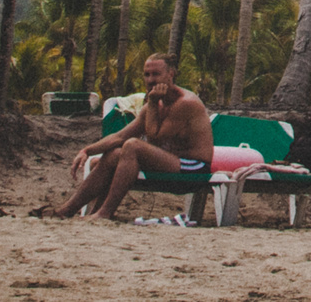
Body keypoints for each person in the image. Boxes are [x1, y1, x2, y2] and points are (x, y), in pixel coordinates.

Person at [53, 53, 216, 222]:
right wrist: (86, 150)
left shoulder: (185, 103)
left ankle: (105, 212)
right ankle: (68, 210)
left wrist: (152, 103)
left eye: (156, 74)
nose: (151, 80)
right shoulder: (155, 104)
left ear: (171, 74)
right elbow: (119, 136)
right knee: (114, 154)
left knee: (133, 146)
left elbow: (155, 138)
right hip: (172, 162)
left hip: (195, 167)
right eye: (147, 75)